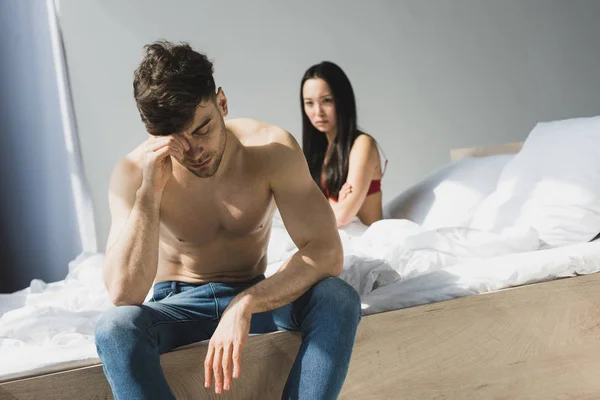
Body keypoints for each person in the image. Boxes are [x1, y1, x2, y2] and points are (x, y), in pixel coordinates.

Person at [95, 41, 361, 400]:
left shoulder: (270, 149)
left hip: (253, 291)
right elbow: (124, 294)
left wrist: (246, 303)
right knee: (114, 328)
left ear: (222, 103)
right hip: (178, 304)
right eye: (178, 141)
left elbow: (327, 253)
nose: (194, 151)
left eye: (202, 129)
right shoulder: (132, 173)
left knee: (337, 298)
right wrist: (150, 194)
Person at [301, 61, 387, 228]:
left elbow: (342, 217)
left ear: (342, 101)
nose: (318, 112)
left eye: (326, 101)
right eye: (309, 103)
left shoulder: (363, 144)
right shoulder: (321, 152)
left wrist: (327, 206)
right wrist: (333, 204)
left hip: (366, 239)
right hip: (338, 236)